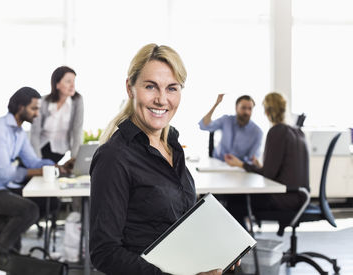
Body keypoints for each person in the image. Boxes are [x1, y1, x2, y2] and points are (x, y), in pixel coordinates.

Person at [89, 44, 232, 275]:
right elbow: (104, 252)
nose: (162, 99)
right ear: (130, 88)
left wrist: (219, 250)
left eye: (172, 88)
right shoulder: (114, 156)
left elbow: (177, 223)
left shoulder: (173, 145)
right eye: (150, 87)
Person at [0, 87, 67, 255]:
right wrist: (39, 172)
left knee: (50, 202)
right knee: (29, 210)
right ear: (21, 107)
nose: (37, 113)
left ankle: (9, 242)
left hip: (2, 190)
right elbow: (4, 174)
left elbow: (32, 162)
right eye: (34, 108)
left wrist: (56, 167)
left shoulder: (19, 133)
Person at [224, 92, 310, 225]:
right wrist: (259, 166)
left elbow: (268, 174)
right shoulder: (297, 132)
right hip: (300, 196)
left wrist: (241, 164)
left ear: (267, 111)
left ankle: (245, 245)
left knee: (235, 201)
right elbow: (278, 170)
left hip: (284, 199)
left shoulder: (277, 131)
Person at [31, 66, 84, 165]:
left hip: (59, 151)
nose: (72, 85)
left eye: (74, 81)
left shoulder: (77, 100)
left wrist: (75, 159)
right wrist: (37, 162)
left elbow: (77, 131)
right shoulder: (43, 101)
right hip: (39, 149)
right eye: (68, 81)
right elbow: (35, 134)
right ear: (57, 84)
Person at [199, 94, 263, 162]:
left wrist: (238, 164)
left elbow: (252, 159)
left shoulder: (257, 132)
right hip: (218, 161)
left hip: (239, 167)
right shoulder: (226, 120)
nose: (246, 112)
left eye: (250, 109)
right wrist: (216, 104)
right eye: (243, 108)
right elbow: (204, 126)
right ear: (236, 108)